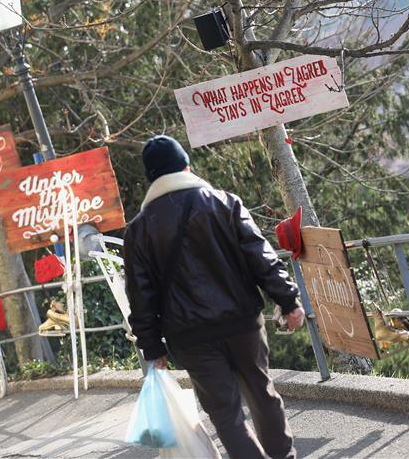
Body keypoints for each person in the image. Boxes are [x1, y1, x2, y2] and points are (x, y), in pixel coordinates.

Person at [124, 135, 305, 459]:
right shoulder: (225, 202)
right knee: (263, 395)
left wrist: (152, 346)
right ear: (186, 166)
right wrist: (288, 301)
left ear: (151, 177)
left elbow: (141, 295)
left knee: (225, 413)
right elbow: (261, 259)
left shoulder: (139, 230)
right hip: (242, 323)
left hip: (190, 336)